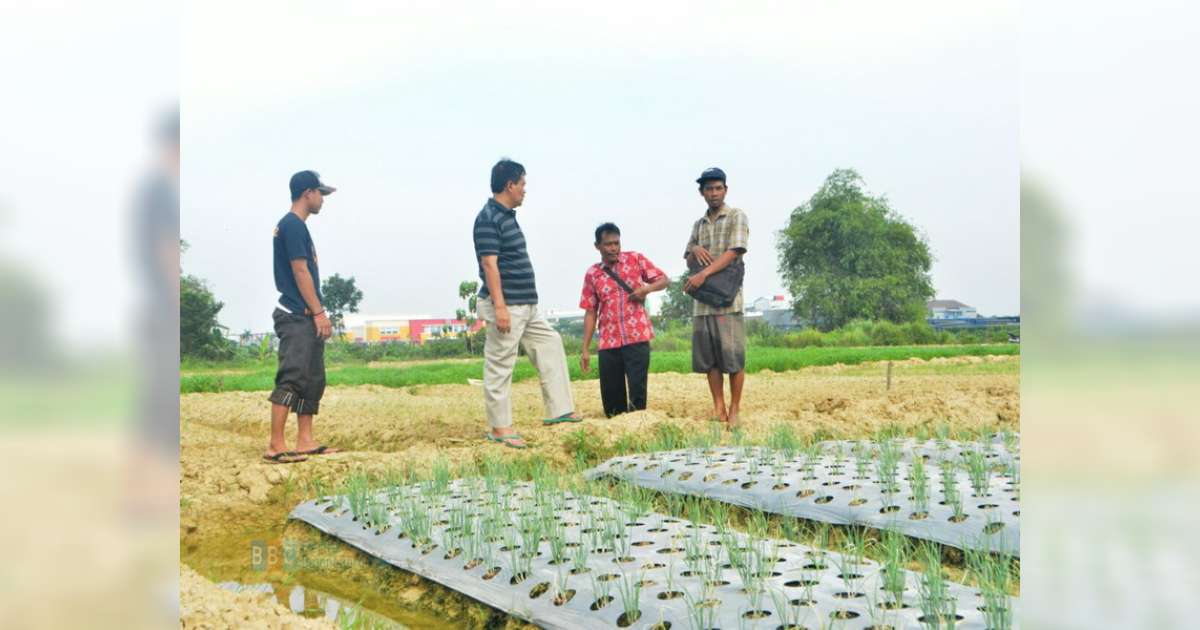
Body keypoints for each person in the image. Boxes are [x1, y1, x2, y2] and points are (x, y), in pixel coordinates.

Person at [474, 158, 582, 449]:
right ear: (509, 185)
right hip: (508, 304)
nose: (524, 190)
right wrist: (500, 307)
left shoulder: (507, 216)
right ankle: (500, 427)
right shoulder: (488, 217)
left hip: (526, 305)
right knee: (500, 364)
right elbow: (489, 264)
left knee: (550, 343)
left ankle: (560, 410)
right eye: (522, 184)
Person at [264, 170, 342, 463]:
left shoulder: (297, 226)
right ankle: (275, 445)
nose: (323, 199)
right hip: (296, 314)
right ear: (307, 193)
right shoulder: (292, 226)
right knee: (293, 376)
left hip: (306, 315)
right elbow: (300, 271)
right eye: (320, 193)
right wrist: (319, 312)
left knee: (313, 378)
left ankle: (305, 441)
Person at [579, 223, 669, 416]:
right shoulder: (592, 273)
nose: (613, 248)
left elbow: (663, 279)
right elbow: (590, 311)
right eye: (607, 244)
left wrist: (646, 289)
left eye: (616, 243)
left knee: (637, 391)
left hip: (636, 337)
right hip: (609, 340)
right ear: (597, 246)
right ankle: (616, 429)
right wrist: (585, 348)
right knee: (611, 397)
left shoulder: (635, 259)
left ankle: (638, 429)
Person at [683, 167, 750, 426]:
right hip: (703, 304)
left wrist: (704, 274)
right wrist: (695, 248)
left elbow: (734, 252)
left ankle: (734, 409)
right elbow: (689, 261)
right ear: (702, 192)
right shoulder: (698, 225)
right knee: (709, 359)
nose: (713, 193)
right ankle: (718, 407)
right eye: (709, 188)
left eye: (718, 188)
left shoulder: (736, 216)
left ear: (725, 190)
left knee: (733, 357)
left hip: (728, 301)